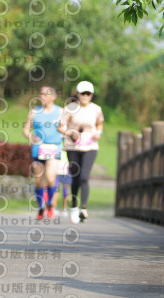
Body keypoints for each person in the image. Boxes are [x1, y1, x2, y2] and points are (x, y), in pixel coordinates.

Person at [57, 81, 104, 224]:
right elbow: (60, 126)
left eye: (88, 93)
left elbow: (99, 124)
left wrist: (98, 133)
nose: (85, 96)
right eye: (83, 93)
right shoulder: (70, 108)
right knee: (75, 177)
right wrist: (70, 133)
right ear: (77, 94)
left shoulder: (96, 109)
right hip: (73, 147)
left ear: (91, 95)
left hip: (90, 146)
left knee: (84, 176)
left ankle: (84, 208)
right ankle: (74, 207)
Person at [22, 86, 64, 220]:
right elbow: (26, 130)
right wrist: (31, 137)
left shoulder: (61, 112)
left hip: (54, 148)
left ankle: (50, 202)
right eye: (41, 94)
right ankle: (41, 207)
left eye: (46, 94)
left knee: (51, 178)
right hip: (38, 149)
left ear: (53, 97)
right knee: (38, 180)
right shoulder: (34, 112)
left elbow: (66, 128)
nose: (42, 96)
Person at [52, 150, 71, 216]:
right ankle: (54, 207)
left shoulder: (68, 150)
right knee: (55, 190)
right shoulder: (57, 149)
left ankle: (65, 208)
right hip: (57, 172)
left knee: (65, 192)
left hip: (66, 173)